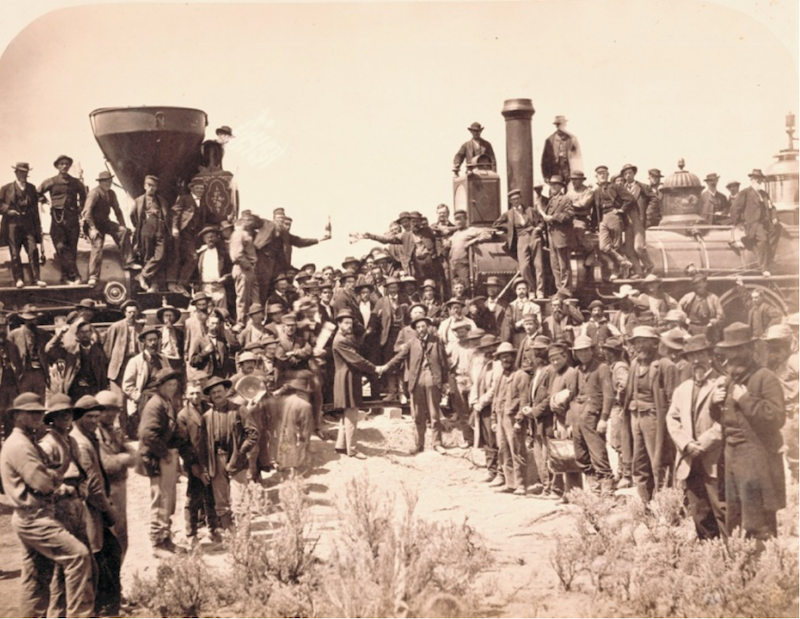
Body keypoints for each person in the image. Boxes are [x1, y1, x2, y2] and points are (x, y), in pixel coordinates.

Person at [0, 393, 94, 617]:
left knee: (36, 578)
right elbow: (42, 483)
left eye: (38, 413)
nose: (36, 417)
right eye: (30, 413)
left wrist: (51, 475)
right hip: (34, 517)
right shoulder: (20, 445)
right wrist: (54, 477)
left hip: (32, 515)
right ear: (16, 416)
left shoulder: (25, 441)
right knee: (78, 556)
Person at [711, 323, 785, 543]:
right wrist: (715, 405)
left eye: (738, 349)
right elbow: (724, 418)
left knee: (758, 519)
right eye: (729, 350)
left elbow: (777, 417)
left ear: (749, 349)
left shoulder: (765, 377)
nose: (732, 355)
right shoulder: (729, 380)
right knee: (734, 517)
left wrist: (746, 400)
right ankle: (739, 569)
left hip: (757, 459)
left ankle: (764, 569)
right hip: (731, 456)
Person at [38, 394, 93, 619]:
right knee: (62, 566)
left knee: (83, 561)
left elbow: (83, 471)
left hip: (77, 504)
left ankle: (78, 611)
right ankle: (57, 613)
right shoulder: (47, 444)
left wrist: (83, 487)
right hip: (59, 505)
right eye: (61, 415)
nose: (66, 418)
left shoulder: (71, 442)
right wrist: (61, 490)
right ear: (52, 418)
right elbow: (40, 480)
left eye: (69, 414)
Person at [666, 334, 725, 539]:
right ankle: (707, 551)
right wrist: (687, 444)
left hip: (715, 457)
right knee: (699, 509)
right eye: (692, 356)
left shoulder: (721, 383)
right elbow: (672, 419)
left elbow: (726, 420)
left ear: (709, 355)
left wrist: (704, 443)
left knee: (721, 508)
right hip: (690, 457)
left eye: (700, 354)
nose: (697, 360)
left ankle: (731, 556)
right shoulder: (682, 389)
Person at [71, 395, 122, 617]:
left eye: (96, 416)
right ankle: (100, 609)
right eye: (89, 417)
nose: (94, 420)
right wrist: (108, 510)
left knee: (110, 552)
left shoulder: (89, 436)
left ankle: (109, 606)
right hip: (90, 510)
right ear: (79, 418)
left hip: (95, 508)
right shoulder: (81, 443)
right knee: (99, 557)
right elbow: (92, 485)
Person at [622, 325, 678, 503]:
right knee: (639, 463)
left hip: (655, 419)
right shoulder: (634, 364)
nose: (639, 346)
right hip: (635, 417)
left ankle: (666, 506)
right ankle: (645, 505)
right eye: (636, 342)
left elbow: (672, 399)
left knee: (659, 462)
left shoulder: (665, 365)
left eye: (643, 342)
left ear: (654, 343)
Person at [137, 368, 186, 554]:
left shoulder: (167, 402)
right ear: (161, 386)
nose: (173, 388)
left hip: (164, 457)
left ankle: (166, 539)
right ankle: (157, 543)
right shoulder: (155, 404)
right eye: (169, 384)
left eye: (175, 384)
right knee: (160, 501)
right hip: (155, 458)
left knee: (168, 500)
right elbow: (148, 434)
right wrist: (165, 454)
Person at [202, 376, 258, 529]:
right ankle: (230, 536)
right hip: (216, 461)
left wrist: (240, 452)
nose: (217, 395)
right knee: (221, 503)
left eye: (219, 391)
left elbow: (252, 434)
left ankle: (244, 538)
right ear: (210, 397)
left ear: (226, 391)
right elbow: (203, 444)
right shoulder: (206, 417)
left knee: (240, 500)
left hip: (237, 459)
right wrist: (207, 466)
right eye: (213, 393)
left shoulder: (239, 409)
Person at [331, 309, 383, 459]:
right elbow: (357, 360)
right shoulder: (340, 341)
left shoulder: (345, 336)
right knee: (352, 414)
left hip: (348, 377)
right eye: (346, 323)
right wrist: (374, 368)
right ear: (339, 324)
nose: (349, 326)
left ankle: (341, 445)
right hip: (346, 379)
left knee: (347, 414)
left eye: (351, 323)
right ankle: (352, 449)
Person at [177, 381, 220, 545]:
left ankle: (213, 529)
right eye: (192, 393)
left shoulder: (210, 408)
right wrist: (194, 466)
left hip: (212, 460)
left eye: (198, 393)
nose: (195, 396)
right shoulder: (182, 415)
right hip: (194, 461)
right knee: (194, 497)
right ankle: (191, 532)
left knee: (212, 495)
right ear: (186, 395)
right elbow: (183, 444)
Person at [571, 335, 614, 496]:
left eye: (585, 350)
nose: (582, 354)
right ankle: (594, 488)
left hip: (593, 417)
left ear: (592, 350)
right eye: (579, 352)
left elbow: (609, 395)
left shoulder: (601, 368)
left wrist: (603, 418)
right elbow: (573, 396)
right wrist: (571, 421)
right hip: (578, 417)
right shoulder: (577, 371)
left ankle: (607, 490)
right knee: (581, 455)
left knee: (598, 453)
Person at [94, 391, 134, 561]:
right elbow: (107, 464)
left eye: (114, 410)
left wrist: (125, 458)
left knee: (122, 538)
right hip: (106, 491)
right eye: (105, 409)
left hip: (119, 488)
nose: (110, 414)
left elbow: (133, 456)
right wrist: (124, 458)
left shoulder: (114, 430)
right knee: (111, 541)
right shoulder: (95, 433)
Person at [83, 170, 138, 286]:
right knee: (97, 245)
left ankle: (127, 261)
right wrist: (92, 228)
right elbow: (86, 213)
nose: (108, 183)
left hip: (105, 222)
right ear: (100, 182)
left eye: (110, 181)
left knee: (123, 231)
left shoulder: (111, 194)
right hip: (92, 224)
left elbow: (117, 211)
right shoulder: (94, 193)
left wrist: (123, 225)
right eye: (105, 181)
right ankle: (93, 276)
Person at [38, 155, 86, 285]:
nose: (64, 166)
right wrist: (45, 200)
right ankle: (75, 275)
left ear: (69, 166)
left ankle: (65, 278)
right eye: (61, 164)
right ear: (57, 166)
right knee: (60, 246)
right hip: (57, 219)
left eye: (66, 164)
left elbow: (83, 195)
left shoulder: (76, 182)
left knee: (72, 248)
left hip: (72, 220)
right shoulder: (51, 181)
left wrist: (80, 208)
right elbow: (37, 192)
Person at [762, 323, 799, 482]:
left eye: (778, 346)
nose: (774, 350)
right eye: (771, 346)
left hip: (794, 412)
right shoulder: (775, 362)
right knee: (790, 450)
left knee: (794, 451)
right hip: (783, 412)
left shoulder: (794, 360)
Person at [492, 189, 545, 298]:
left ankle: (540, 291)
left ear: (520, 198)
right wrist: (508, 227)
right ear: (510, 201)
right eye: (513, 199)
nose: (516, 201)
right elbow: (496, 224)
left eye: (517, 198)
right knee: (524, 266)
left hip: (534, 236)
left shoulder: (530, 210)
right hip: (521, 238)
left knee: (538, 265)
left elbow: (541, 222)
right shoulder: (508, 214)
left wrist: (538, 229)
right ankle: (531, 289)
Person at [0, 162, 46, 288]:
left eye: (25, 172)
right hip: (12, 225)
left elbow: (35, 208)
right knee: (15, 253)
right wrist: (8, 210)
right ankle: (18, 279)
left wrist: (38, 228)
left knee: (33, 250)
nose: (23, 174)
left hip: (28, 225)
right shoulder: (6, 188)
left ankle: (36, 279)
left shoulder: (31, 188)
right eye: (20, 172)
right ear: (16, 173)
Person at [730, 169, 781, 277]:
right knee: (763, 240)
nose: (759, 182)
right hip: (753, 224)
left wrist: (774, 217)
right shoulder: (745, 193)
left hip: (766, 223)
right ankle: (764, 267)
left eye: (760, 180)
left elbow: (772, 207)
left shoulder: (764, 194)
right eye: (757, 180)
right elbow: (735, 208)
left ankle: (768, 257)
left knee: (778, 228)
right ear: (752, 180)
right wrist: (738, 222)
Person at [121, 327, 171, 438]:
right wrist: (139, 398)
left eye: (155, 339)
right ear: (144, 342)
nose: (153, 343)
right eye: (150, 340)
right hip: (144, 399)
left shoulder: (163, 359)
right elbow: (127, 385)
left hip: (162, 396)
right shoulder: (135, 361)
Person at [494, 342, 529, 495]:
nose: (504, 360)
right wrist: (494, 420)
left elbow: (524, 400)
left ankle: (521, 484)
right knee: (503, 450)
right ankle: (510, 483)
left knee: (517, 450)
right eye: (502, 358)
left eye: (507, 356)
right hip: (501, 417)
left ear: (513, 357)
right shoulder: (500, 376)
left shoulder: (521, 376)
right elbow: (496, 399)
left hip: (513, 418)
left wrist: (519, 420)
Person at [46, 318, 109, 401]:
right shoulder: (70, 351)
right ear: (77, 335)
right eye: (82, 332)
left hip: (93, 390)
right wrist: (59, 335)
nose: (85, 335)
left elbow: (103, 374)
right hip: (74, 391)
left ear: (91, 334)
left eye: (87, 332)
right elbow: (49, 350)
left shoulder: (98, 352)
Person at [103, 300, 143, 432]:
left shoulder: (140, 327)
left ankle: (132, 429)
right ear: (125, 313)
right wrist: (109, 366)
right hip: (119, 367)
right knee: (119, 401)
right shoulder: (116, 327)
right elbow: (108, 348)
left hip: (133, 366)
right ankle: (120, 431)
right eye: (129, 312)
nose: (132, 314)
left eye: (134, 312)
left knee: (135, 398)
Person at [593, 165, 635, 280]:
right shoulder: (596, 191)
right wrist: (594, 225)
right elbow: (595, 209)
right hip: (603, 218)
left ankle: (617, 271)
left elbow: (630, 198)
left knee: (616, 246)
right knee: (603, 247)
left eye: (604, 173)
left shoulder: (615, 187)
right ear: (596, 176)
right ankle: (623, 262)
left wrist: (621, 209)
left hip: (614, 216)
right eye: (599, 173)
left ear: (607, 175)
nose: (602, 175)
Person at [131, 175, 172, 292]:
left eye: (154, 186)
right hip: (146, 229)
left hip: (160, 229)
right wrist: (141, 227)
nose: (151, 188)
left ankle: (142, 275)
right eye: (149, 185)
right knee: (148, 257)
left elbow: (167, 216)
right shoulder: (139, 201)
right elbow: (132, 216)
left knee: (160, 255)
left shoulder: (162, 201)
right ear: (145, 186)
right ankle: (153, 285)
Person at [169, 177, 207, 295]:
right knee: (192, 257)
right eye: (198, 188)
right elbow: (176, 213)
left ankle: (182, 284)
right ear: (192, 188)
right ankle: (180, 283)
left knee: (191, 258)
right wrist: (175, 228)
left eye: (202, 188)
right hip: (183, 232)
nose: (200, 190)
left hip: (194, 235)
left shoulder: (203, 202)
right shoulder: (184, 199)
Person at [602, 337, 631, 488]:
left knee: (621, 441)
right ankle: (621, 472)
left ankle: (626, 474)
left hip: (619, 408)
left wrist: (619, 399)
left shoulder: (619, 366)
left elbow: (624, 384)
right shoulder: (613, 365)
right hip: (616, 407)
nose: (604, 352)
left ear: (612, 352)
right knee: (616, 440)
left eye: (606, 350)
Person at [540, 175, 575, 295]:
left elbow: (569, 214)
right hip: (551, 236)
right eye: (552, 184)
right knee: (554, 265)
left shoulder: (566, 199)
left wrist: (553, 218)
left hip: (561, 236)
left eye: (555, 184)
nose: (553, 187)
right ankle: (560, 289)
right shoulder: (551, 200)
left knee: (563, 264)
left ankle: (566, 289)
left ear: (561, 186)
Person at [619, 163, 655, 277]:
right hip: (627, 222)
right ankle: (638, 271)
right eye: (625, 174)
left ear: (634, 173)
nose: (628, 176)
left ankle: (649, 266)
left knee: (639, 247)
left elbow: (654, 200)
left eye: (630, 173)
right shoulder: (620, 189)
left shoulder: (643, 187)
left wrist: (648, 215)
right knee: (629, 250)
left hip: (638, 220)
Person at [275, 373, 314, 473]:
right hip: (303, 407)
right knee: (304, 437)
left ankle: (284, 463)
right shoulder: (306, 404)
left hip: (288, 410)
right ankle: (299, 463)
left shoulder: (284, 399)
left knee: (286, 436)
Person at [8, 304, 49, 398]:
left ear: (37, 319)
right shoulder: (14, 335)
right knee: (24, 400)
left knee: (39, 399)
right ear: (23, 319)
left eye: (33, 319)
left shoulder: (43, 334)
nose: (31, 322)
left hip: (40, 373)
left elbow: (53, 347)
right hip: (23, 373)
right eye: (28, 319)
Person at [448, 209, 492, 295]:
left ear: (465, 219)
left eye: (460, 219)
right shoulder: (455, 234)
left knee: (466, 287)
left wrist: (474, 240)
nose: (458, 221)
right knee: (454, 289)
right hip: (453, 265)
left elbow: (487, 235)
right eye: (456, 219)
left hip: (463, 264)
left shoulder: (471, 230)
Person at [229, 215, 260, 327]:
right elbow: (237, 255)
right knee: (243, 298)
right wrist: (248, 266)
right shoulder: (238, 234)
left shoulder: (244, 233)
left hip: (249, 269)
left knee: (254, 297)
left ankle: (254, 322)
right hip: (243, 269)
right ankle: (241, 323)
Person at [189, 309, 237, 380]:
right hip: (207, 376)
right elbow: (193, 362)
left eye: (216, 323)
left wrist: (226, 330)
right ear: (207, 323)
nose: (214, 326)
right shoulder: (200, 340)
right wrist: (204, 352)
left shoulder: (222, 340)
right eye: (212, 323)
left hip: (221, 375)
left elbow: (236, 346)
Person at [678, 273, 725, 341]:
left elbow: (721, 316)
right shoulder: (688, 297)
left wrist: (713, 322)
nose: (698, 285)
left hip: (708, 330)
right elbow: (678, 308)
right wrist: (684, 318)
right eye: (695, 284)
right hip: (691, 329)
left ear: (705, 283)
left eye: (700, 282)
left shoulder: (713, 298)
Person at [196, 225, 233, 310]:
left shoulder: (223, 254)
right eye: (207, 237)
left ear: (216, 238)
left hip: (219, 287)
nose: (210, 239)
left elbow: (231, 270)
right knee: (205, 311)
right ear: (204, 240)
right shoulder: (201, 254)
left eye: (212, 237)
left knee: (221, 312)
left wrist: (225, 277)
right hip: (205, 287)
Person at [541, 116, 582, 182]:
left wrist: (577, 175)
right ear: (556, 126)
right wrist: (545, 175)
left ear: (565, 125)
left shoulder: (572, 139)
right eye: (558, 124)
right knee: (555, 189)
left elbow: (578, 158)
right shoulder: (549, 140)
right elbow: (544, 160)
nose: (560, 126)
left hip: (568, 172)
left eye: (562, 124)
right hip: (554, 172)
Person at [501, 279, 541, 347]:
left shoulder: (534, 306)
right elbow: (508, 324)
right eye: (519, 289)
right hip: (514, 338)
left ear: (527, 290)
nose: (521, 291)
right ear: (515, 291)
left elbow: (538, 323)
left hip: (528, 337)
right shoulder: (510, 306)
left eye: (523, 289)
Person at [0, 314, 21, 439]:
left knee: (10, 419)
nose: (1, 331)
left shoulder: (12, 346)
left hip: (11, 388)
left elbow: (17, 366)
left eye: (3, 327)